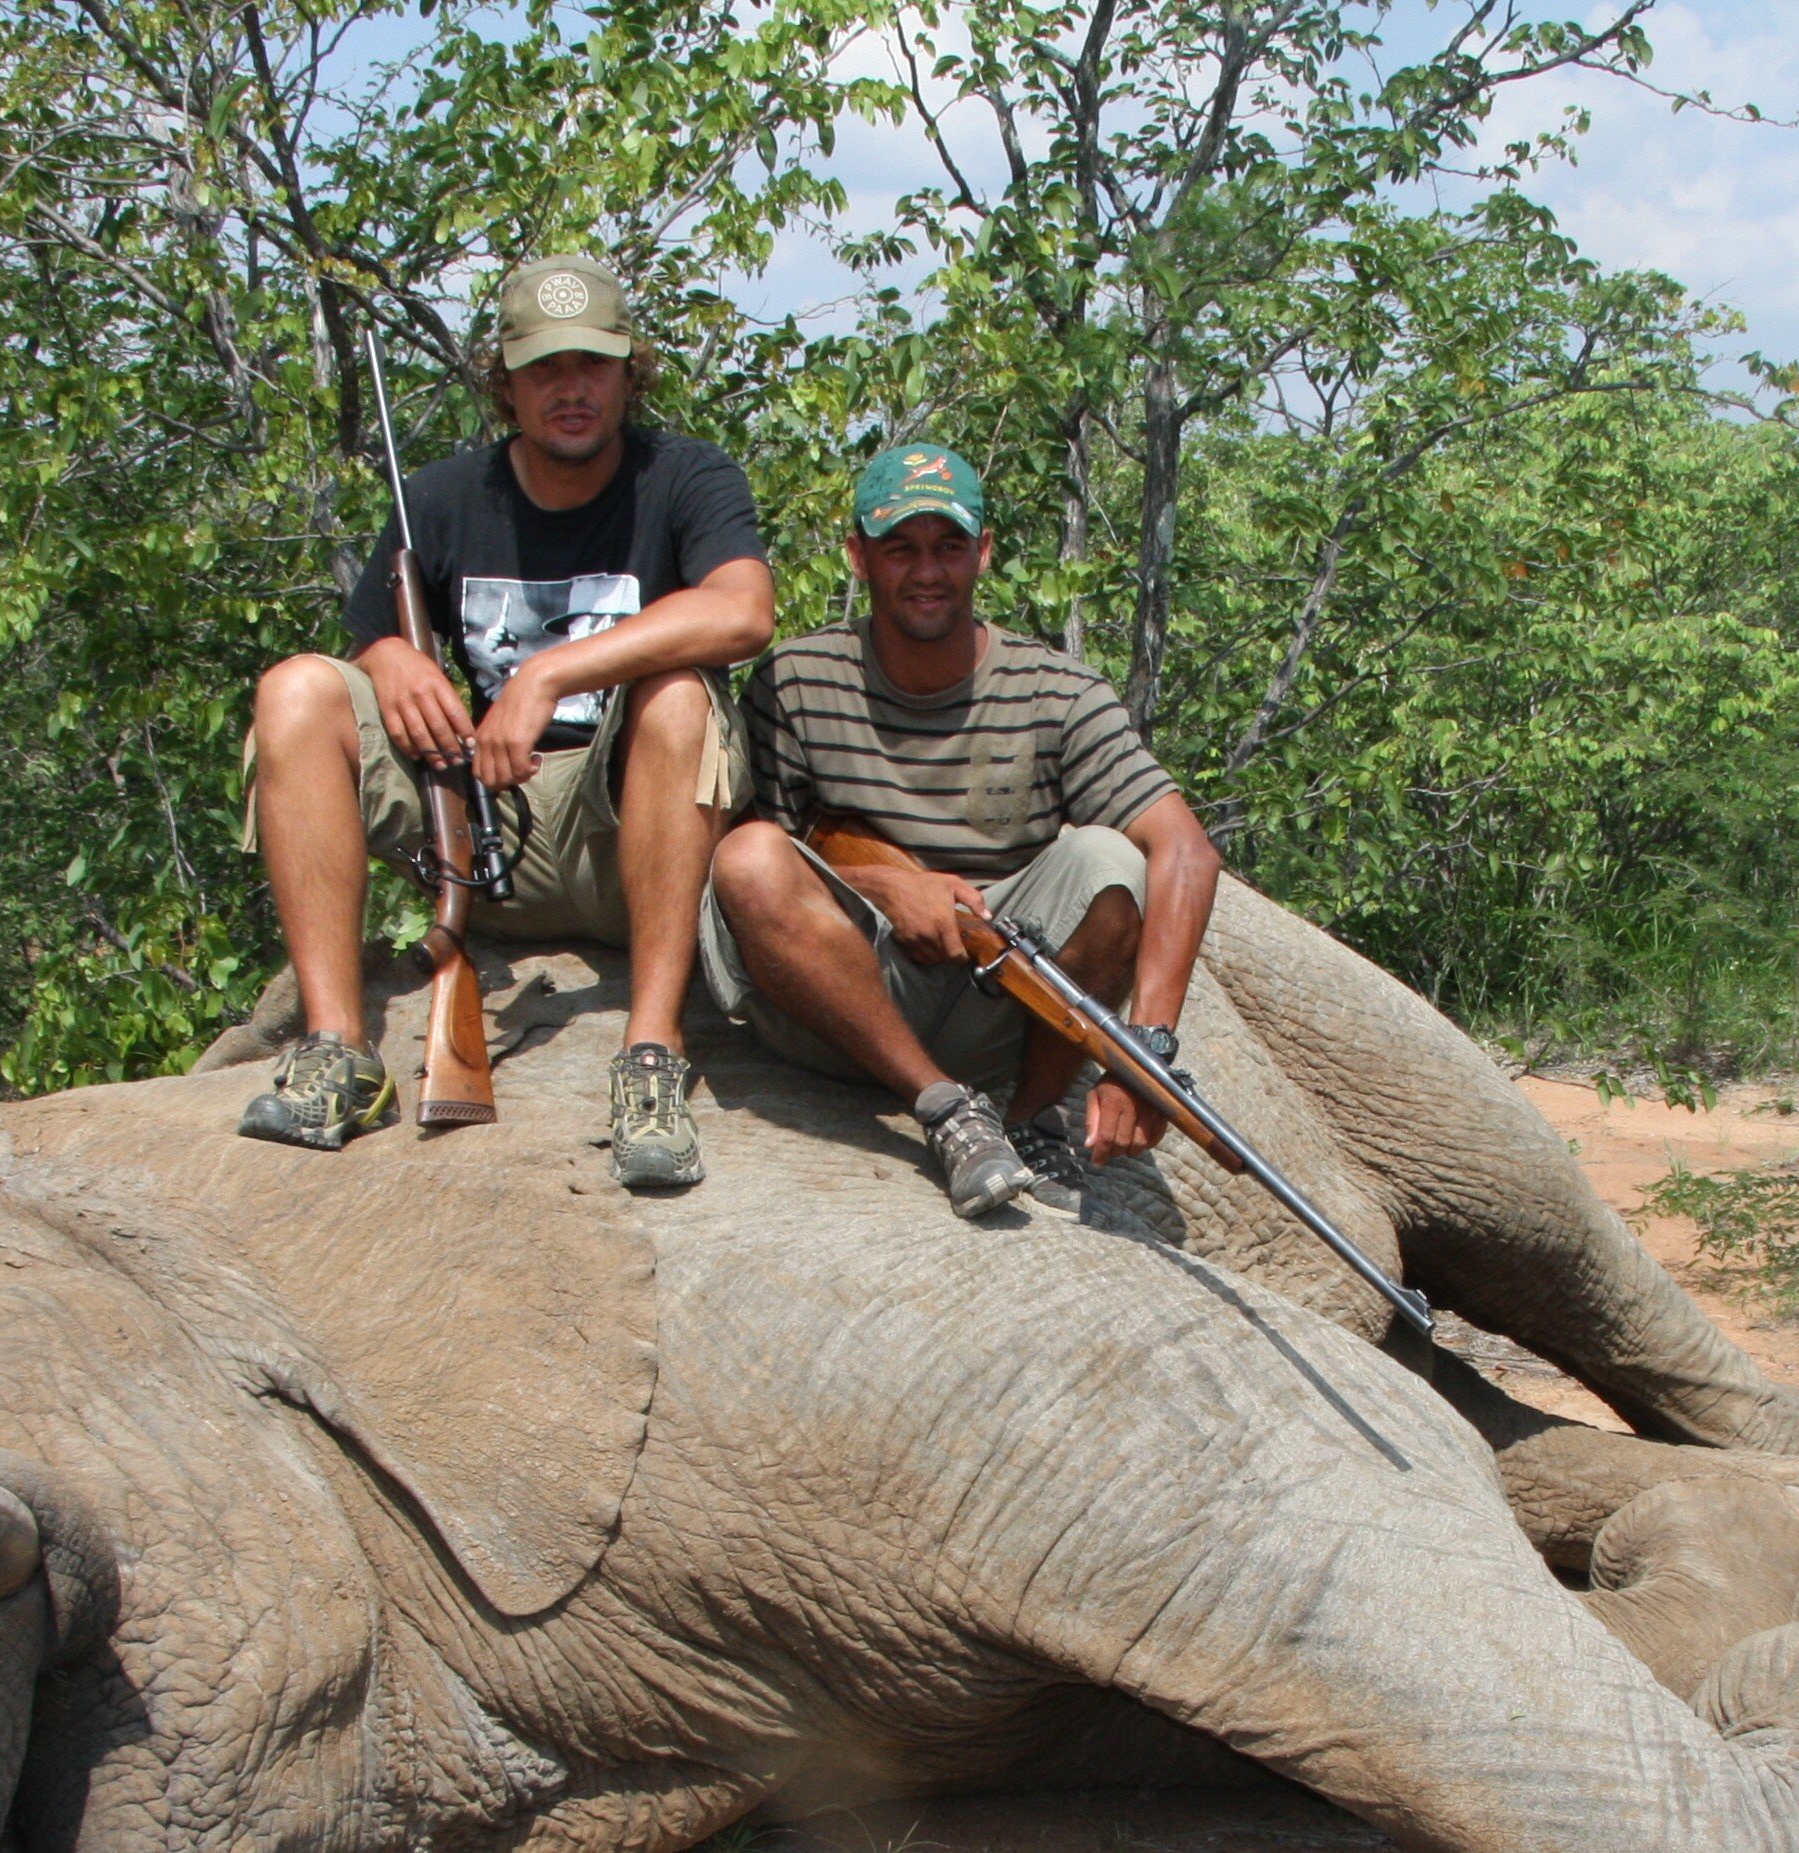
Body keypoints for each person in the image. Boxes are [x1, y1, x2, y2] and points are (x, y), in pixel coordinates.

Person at [234, 254, 774, 1187]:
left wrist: (547, 674)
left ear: (628, 373)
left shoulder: (685, 476)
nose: (572, 391)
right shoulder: (441, 497)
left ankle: (650, 1056)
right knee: (292, 689)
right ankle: (339, 1051)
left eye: (593, 367)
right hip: (485, 821)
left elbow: (743, 611)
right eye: (544, 370)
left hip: (627, 837)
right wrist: (393, 658)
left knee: (680, 695)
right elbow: (370, 640)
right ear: (507, 383)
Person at [702, 440, 1223, 1216]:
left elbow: (1186, 848)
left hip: (1002, 995)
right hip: (842, 1000)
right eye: (900, 549)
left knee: (1109, 857)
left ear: (983, 554)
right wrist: (887, 886)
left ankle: (1030, 1116)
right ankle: (944, 1109)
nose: (926, 572)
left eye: (949, 547)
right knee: (744, 859)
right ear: (857, 556)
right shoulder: (795, 680)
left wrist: (1142, 1052)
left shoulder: (1060, 690)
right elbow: (765, 849)